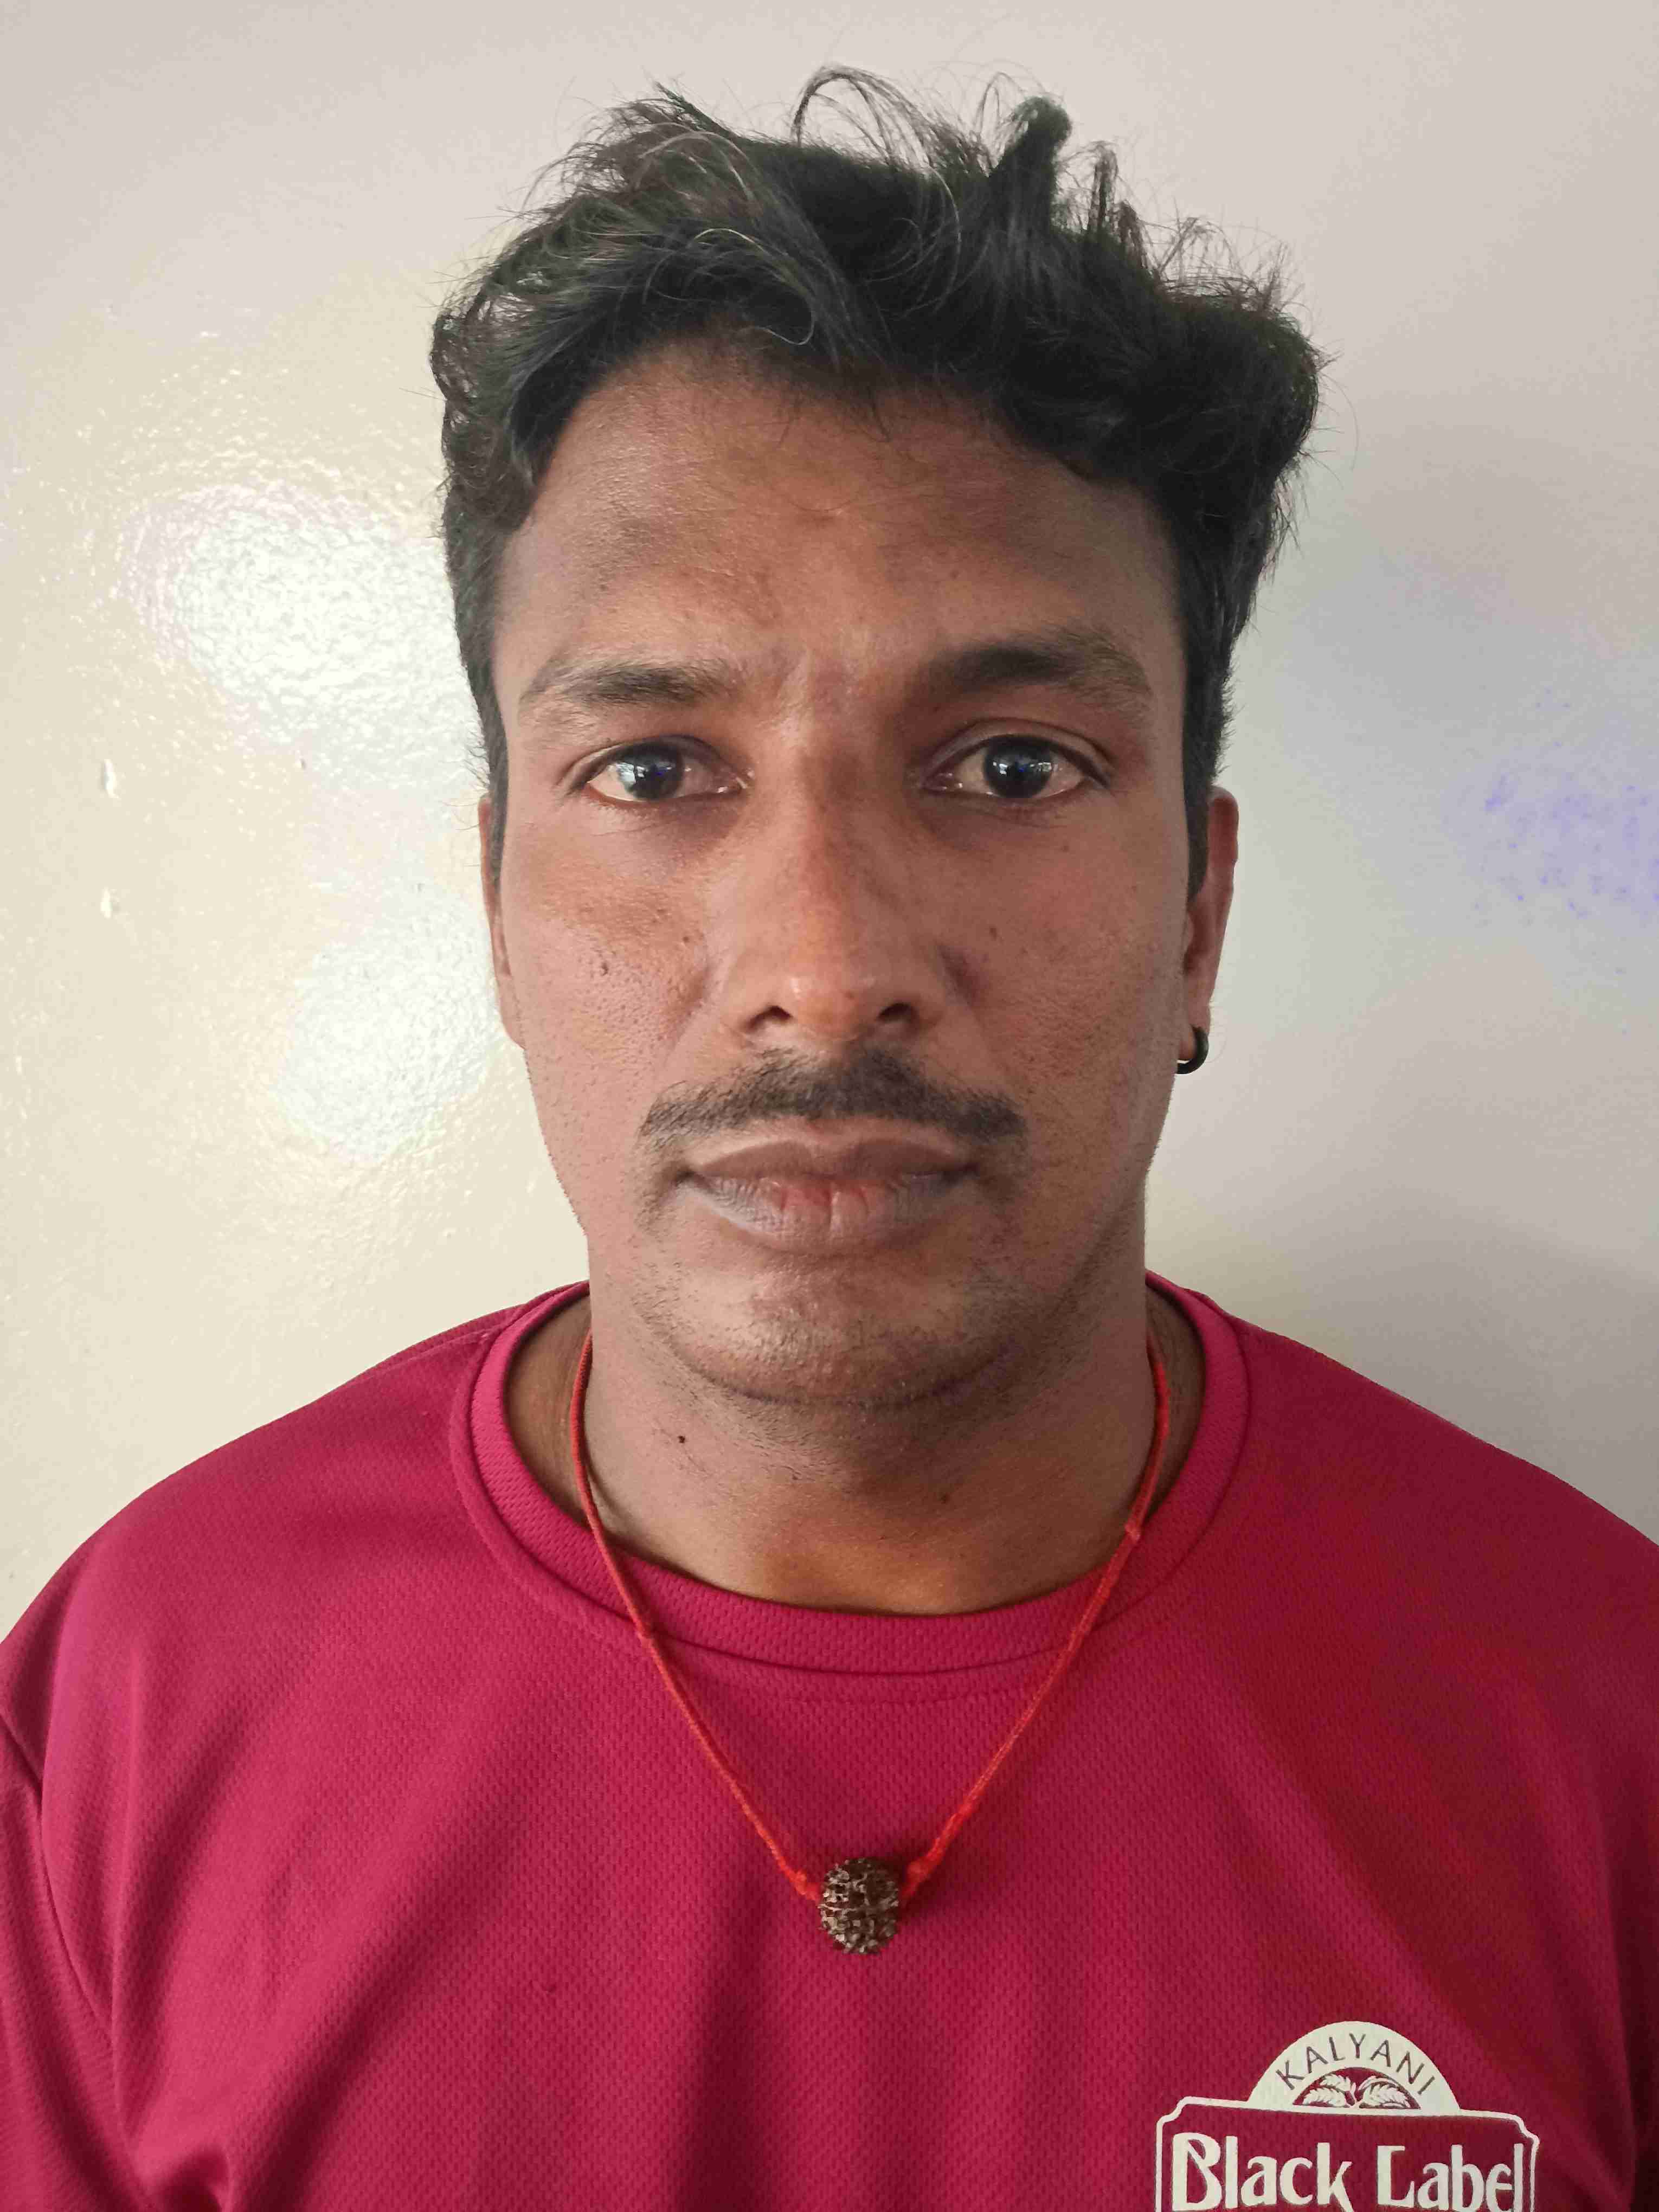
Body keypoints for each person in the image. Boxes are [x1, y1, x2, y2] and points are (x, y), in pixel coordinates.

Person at [3, 66, 1654, 2211]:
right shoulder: (124, 1712)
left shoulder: (1600, 1721)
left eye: (1011, 765)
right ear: (496, 907)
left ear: (1201, 915)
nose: (823, 964)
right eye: (656, 771)